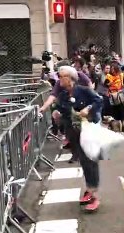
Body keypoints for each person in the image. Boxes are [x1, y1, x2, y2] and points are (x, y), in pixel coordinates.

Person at [40, 66, 103, 212]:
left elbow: (99, 101)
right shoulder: (62, 95)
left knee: (90, 161)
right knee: (84, 161)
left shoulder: (83, 90)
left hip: (89, 130)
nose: (59, 79)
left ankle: (94, 195)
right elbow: (61, 110)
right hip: (74, 133)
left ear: (70, 78)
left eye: (62, 76)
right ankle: (90, 189)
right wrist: (57, 114)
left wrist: (88, 109)